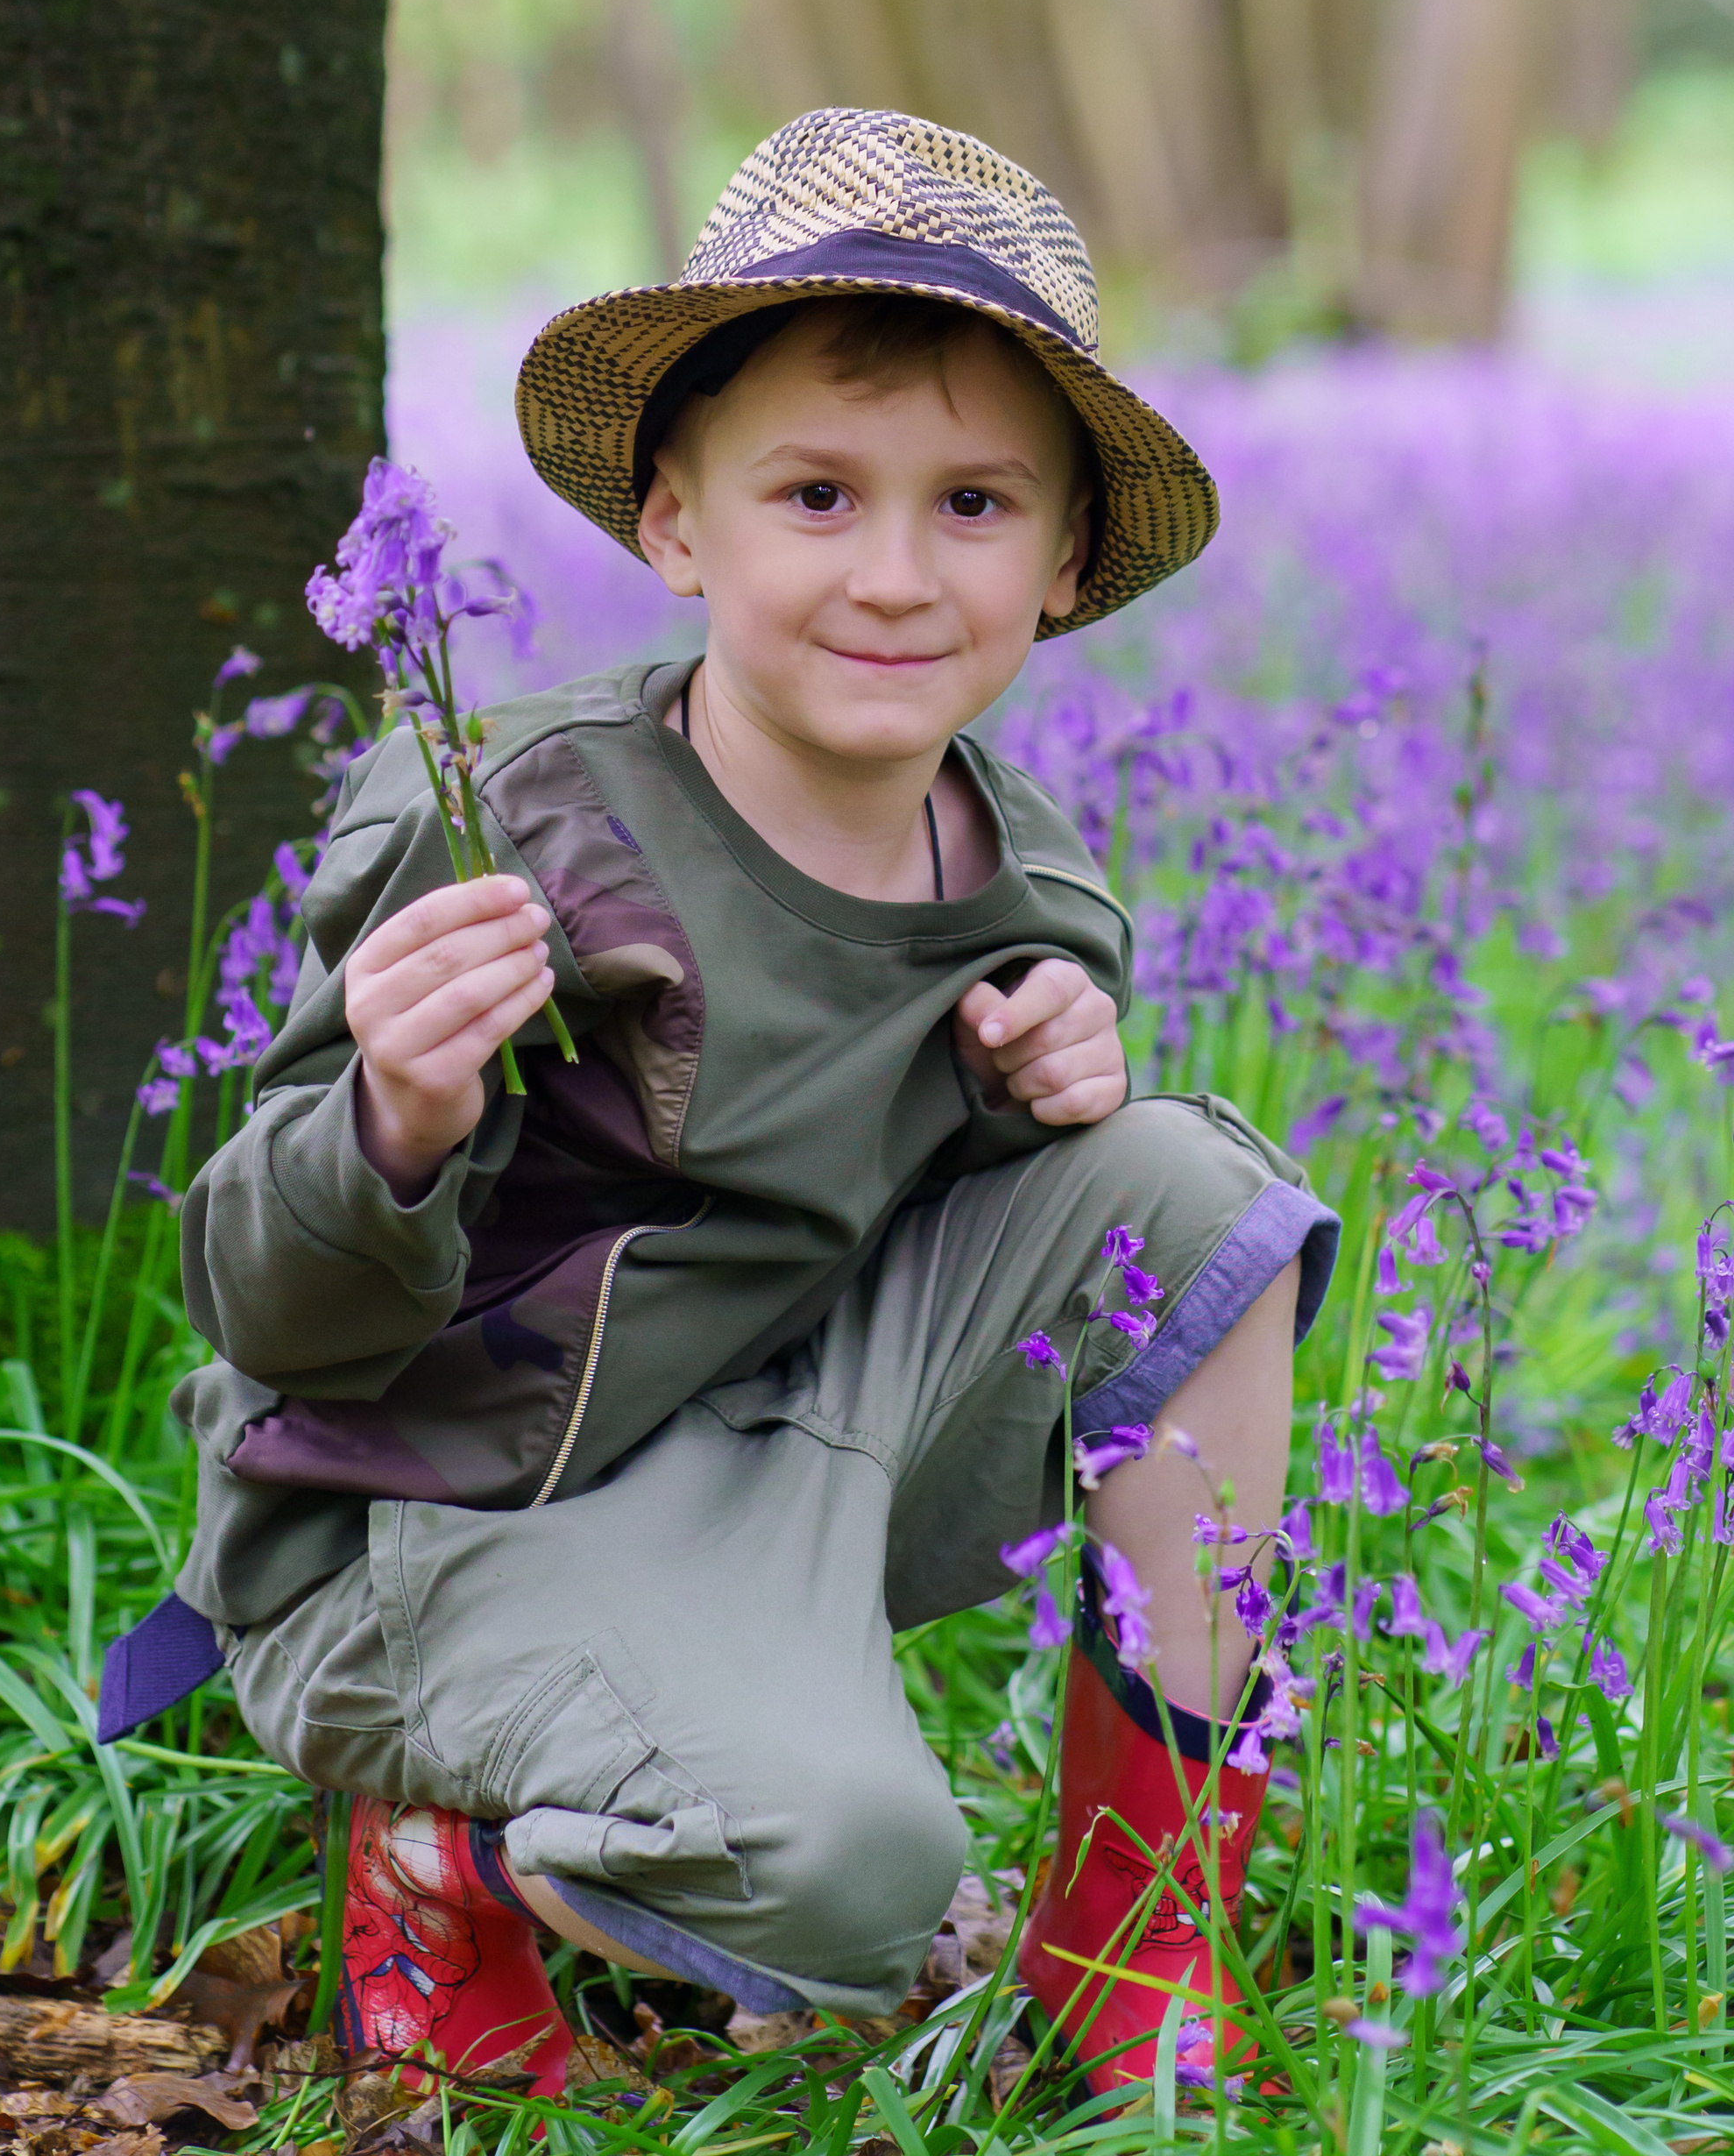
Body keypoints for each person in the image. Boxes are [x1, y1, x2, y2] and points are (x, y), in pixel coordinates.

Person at [96, 108, 1339, 2099]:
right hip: (443, 1517)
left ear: (1066, 558)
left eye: (972, 505)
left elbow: (929, 1198)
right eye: (818, 494)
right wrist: (392, 1123)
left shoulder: (1017, 874)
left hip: (770, 1450)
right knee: (841, 1890)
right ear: (677, 525)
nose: (895, 573)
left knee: (1194, 1191)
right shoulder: (513, 821)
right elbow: (269, 1315)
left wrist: (1051, 1092)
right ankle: (438, 1852)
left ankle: (1127, 1940)